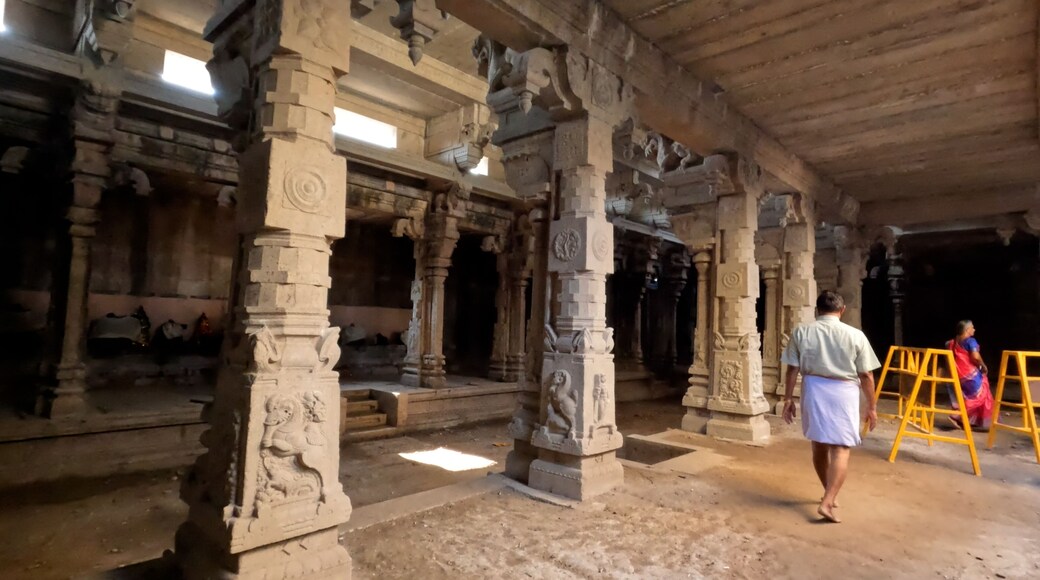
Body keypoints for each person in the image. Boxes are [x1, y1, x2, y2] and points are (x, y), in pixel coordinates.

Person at [781, 291, 881, 523]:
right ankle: (828, 500)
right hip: (843, 391)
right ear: (842, 310)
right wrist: (872, 406)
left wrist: (788, 399)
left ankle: (829, 491)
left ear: (817, 310)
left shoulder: (802, 332)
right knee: (841, 447)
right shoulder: (855, 335)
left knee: (819, 444)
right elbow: (866, 374)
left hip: (814, 389)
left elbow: (792, 369)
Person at [945, 320, 994, 430]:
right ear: (967, 330)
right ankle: (957, 415)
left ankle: (970, 421)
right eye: (972, 327)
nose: (974, 329)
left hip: (958, 374)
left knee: (970, 396)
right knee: (980, 395)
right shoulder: (970, 341)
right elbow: (975, 356)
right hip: (970, 374)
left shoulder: (950, 343)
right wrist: (983, 365)